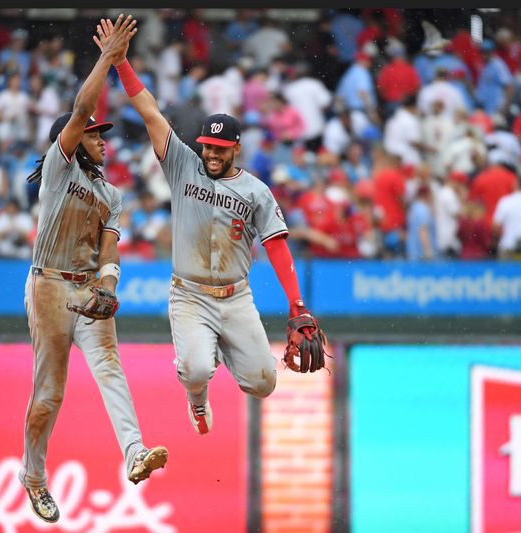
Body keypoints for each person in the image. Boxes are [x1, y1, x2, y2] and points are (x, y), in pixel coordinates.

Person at [95, 15, 327, 438]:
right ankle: (197, 395)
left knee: (263, 383)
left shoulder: (255, 191)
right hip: (190, 293)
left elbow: (276, 246)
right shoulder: (183, 164)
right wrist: (120, 64)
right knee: (197, 369)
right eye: (207, 146)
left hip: (236, 296)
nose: (212, 154)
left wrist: (297, 306)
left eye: (220, 148)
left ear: (236, 148)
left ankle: (217, 350)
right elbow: (149, 111)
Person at [19, 15, 167, 524]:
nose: (102, 139)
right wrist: (108, 58)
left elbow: (109, 248)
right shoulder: (60, 168)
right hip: (49, 286)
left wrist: (108, 285)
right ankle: (33, 475)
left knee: (110, 369)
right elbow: (82, 109)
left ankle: (133, 453)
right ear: (73, 138)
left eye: (102, 133)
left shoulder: (111, 193)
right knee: (50, 394)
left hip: (86, 289)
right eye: (95, 134)